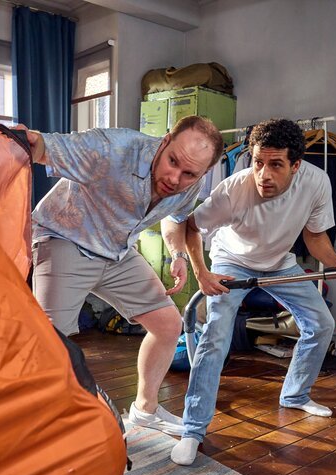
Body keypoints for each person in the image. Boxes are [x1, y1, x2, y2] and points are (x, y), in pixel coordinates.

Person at [170, 118, 336, 465]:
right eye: (258, 162)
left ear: (296, 165)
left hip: (279, 263)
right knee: (216, 336)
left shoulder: (316, 181)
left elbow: (314, 236)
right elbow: (191, 226)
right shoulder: (234, 188)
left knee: (321, 323)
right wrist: (202, 273)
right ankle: (192, 430)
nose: (263, 174)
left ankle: (294, 395)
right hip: (232, 261)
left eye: (275, 165)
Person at [25, 116, 224, 436]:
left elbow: (175, 218)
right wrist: (23, 139)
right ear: (164, 141)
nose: (175, 178)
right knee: (51, 345)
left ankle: (145, 411)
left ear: (203, 172)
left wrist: (178, 256)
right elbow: (44, 145)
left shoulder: (191, 181)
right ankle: (36, 428)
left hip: (117, 250)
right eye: (173, 161)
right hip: (66, 237)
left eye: (189, 173)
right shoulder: (113, 148)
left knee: (168, 324)